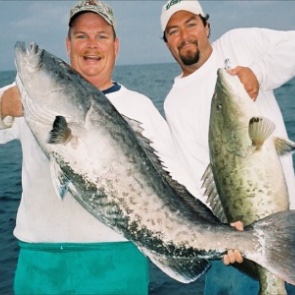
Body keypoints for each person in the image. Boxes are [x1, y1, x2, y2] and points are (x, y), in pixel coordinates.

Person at [1, 0, 244, 294]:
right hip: (40, 268)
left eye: (101, 36)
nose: (91, 45)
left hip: (116, 267)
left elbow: (178, 180)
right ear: (68, 46)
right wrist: (2, 109)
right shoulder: (25, 93)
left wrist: (223, 229)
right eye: (81, 36)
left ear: (116, 46)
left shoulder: (140, 107)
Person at [160, 0, 295, 294]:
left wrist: (258, 73)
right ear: (167, 42)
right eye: (173, 31)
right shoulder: (173, 102)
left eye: (191, 24)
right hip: (236, 248)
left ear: (207, 26)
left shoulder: (238, 44)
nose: (184, 35)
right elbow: (194, 179)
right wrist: (220, 233)